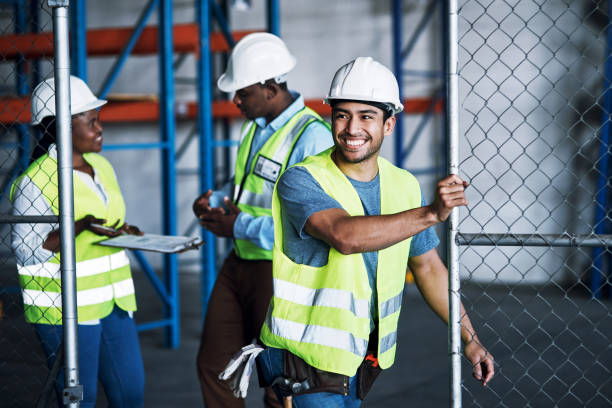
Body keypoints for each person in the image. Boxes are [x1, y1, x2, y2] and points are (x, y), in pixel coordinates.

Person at [257, 57, 495, 406]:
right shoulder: (301, 179)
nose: (352, 128)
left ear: (389, 125)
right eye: (342, 115)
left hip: (362, 358)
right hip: (304, 360)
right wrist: (430, 213)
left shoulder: (403, 185)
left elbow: (428, 266)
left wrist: (469, 337)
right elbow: (345, 236)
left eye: (366, 116)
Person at [193, 32, 333, 407]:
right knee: (215, 366)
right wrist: (216, 200)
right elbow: (249, 189)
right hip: (239, 263)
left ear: (271, 87)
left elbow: (307, 230)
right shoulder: (254, 127)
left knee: (279, 384)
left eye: (242, 92)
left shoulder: (311, 139)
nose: (235, 100)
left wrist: (236, 226)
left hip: (279, 273)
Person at [10, 75, 145, 408]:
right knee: (78, 401)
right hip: (65, 309)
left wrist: (123, 230)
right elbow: (27, 251)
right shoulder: (36, 182)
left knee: (130, 392)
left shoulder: (101, 165)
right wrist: (78, 226)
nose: (100, 129)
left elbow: (105, 218)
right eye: (92, 122)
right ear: (62, 128)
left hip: (113, 301)